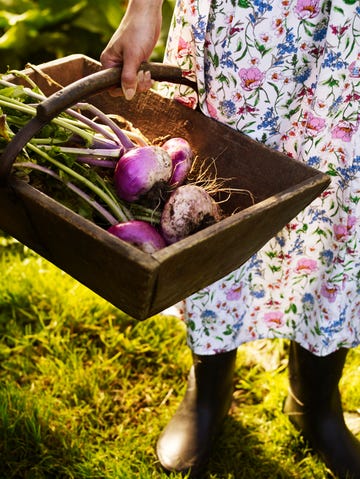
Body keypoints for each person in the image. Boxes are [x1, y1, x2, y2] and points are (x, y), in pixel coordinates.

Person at [100, 1, 360, 477]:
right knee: (215, 202)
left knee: (342, 217)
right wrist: (143, 8)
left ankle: (315, 400)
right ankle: (210, 388)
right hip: (249, 25)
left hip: (351, 36)